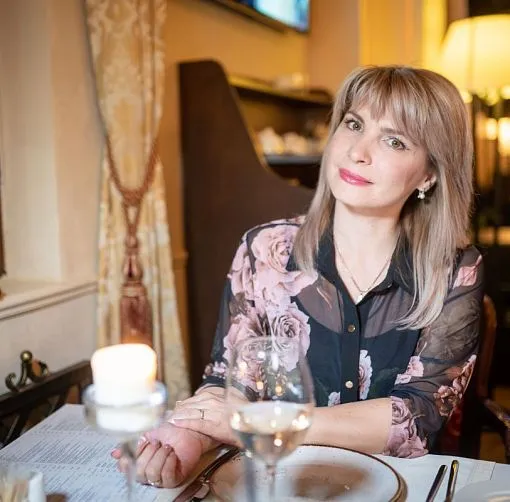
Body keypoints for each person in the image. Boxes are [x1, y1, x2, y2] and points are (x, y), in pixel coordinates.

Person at [113, 65, 484, 488]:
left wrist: (264, 423)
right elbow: (230, 383)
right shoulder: (264, 250)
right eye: (354, 124)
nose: (358, 151)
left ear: (430, 174)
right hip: (283, 483)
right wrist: (187, 438)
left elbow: (416, 419)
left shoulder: (456, 269)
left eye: (394, 141)